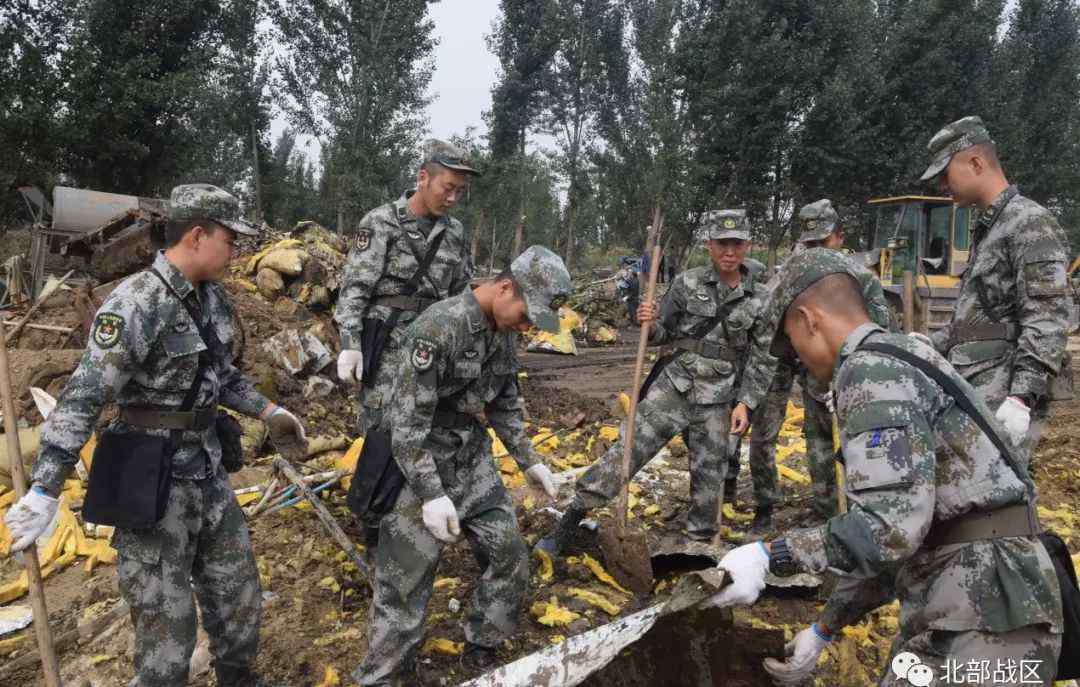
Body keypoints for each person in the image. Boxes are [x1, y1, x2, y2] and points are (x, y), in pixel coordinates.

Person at [708, 248, 1062, 686]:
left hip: (984, 613)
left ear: (809, 319)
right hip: (993, 602)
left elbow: (889, 528)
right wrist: (823, 630)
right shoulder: (904, 353)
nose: (797, 359)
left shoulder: (869, 372)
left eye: (792, 343)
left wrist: (769, 556)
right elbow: (907, 532)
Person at [3, 184, 308, 687]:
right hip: (153, 486)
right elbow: (83, 397)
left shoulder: (212, 299)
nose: (238, 252)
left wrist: (269, 409)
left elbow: (222, 375)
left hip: (208, 476)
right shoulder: (136, 305)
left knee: (240, 606)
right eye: (231, 240)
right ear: (196, 235)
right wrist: (44, 489)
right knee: (166, 639)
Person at [352, 246, 567, 686]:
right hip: (417, 462)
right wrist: (432, 495)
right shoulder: (438, 328)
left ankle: (482, 644)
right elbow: (406, 427)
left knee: (509, 554)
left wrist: (530, 462)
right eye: (528, 315)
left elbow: (504, 404)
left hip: (471, 458)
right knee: (406, 582)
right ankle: (384, 676)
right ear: (505, 287)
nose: (528, 327)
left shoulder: (505, 331)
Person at [535, 209, 773, 554]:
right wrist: (647, 319)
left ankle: (700, 545)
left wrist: (746, 403)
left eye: (737, 244)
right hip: (674, 386)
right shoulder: (688, 283)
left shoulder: (761, 299)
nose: (729, 252)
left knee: (710, 474)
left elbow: (762, 357)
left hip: (719, 398)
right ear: (710, 245)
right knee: (627, 453)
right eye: (722, 244)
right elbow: (662, 332)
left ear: (747, 245)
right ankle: (570, 522)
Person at [919, 116, 1073, 469]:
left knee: (998, 503)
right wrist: (934, 343)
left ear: (976, 162)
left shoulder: (1028, 222)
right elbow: (983, 317)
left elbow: (1047, 317)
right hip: (979, 385)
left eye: (946, 172)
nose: (943, 184)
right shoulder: (991, 227)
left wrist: (1022, 397)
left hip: (1004, 392)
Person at [732, 199, 892, 528]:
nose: (815, 252)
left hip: (835, 369)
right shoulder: (785, 278)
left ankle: (847, 512)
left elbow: (879, 333)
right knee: (787, 437)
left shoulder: (860, 278)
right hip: (787, 364)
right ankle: (799, 508)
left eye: (822, 243)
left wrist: (851, 379)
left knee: (839, 438)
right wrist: (749, 398)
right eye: (809, 245)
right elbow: (763, 340)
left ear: (838, 238)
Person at [334, 139, 479, 435]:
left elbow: (462, 296)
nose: (453, 198)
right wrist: (350, 344)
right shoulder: (380, 222)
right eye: (448, 188)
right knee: (381, 435)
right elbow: (355, 289)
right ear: (423, 178)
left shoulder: (456, 233)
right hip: (388, 346)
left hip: (433, 350)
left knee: (425, 434)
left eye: (460, 192)